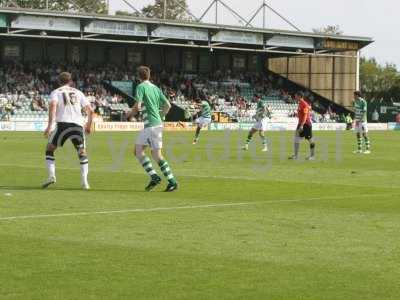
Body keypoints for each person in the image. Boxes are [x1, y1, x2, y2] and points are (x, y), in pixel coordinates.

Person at [43, 72, 94, 189]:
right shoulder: (79, 92)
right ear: (70, 81)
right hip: (77, 126)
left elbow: (53, 106)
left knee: (50, 148)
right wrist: (89, 126)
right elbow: (90, 111)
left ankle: (51, 176)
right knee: (82, 152)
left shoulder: (55, 92)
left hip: (62, 125)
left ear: (59, 81)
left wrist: (50, 125)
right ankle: (85, 182)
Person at [131, 66, 178, 192]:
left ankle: (162, 179)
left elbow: (138, 105)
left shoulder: (140, 87)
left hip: (150, 126)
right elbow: (168, 105)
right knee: (148, 152)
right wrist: (161, 116)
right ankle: (164, 179)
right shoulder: (155, 88)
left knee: (145, 152)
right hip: (156, 124)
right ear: (149, 76)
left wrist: (130, 114)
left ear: (138, 76)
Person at [289, 91, 316, 160]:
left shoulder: (304, 104)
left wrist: (302, 125)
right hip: (300, 123)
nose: (295, 97)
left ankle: (312, 156)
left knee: (310, 139)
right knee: (296, 138)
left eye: (296, 95)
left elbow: (305, 116)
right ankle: (295, 155)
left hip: (306, 124)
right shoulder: (300, 103)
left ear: (299, 96)